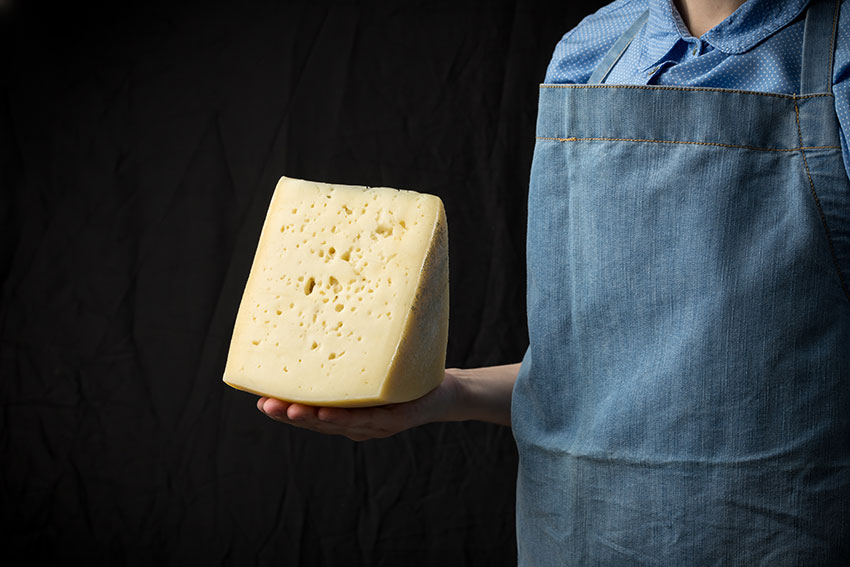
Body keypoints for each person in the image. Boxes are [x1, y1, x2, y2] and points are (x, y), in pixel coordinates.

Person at [257, 0, 850, 563]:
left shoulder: (839, 60)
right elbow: (587, 376)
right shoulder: (590, 51)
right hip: (570, 538)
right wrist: (450, 393)